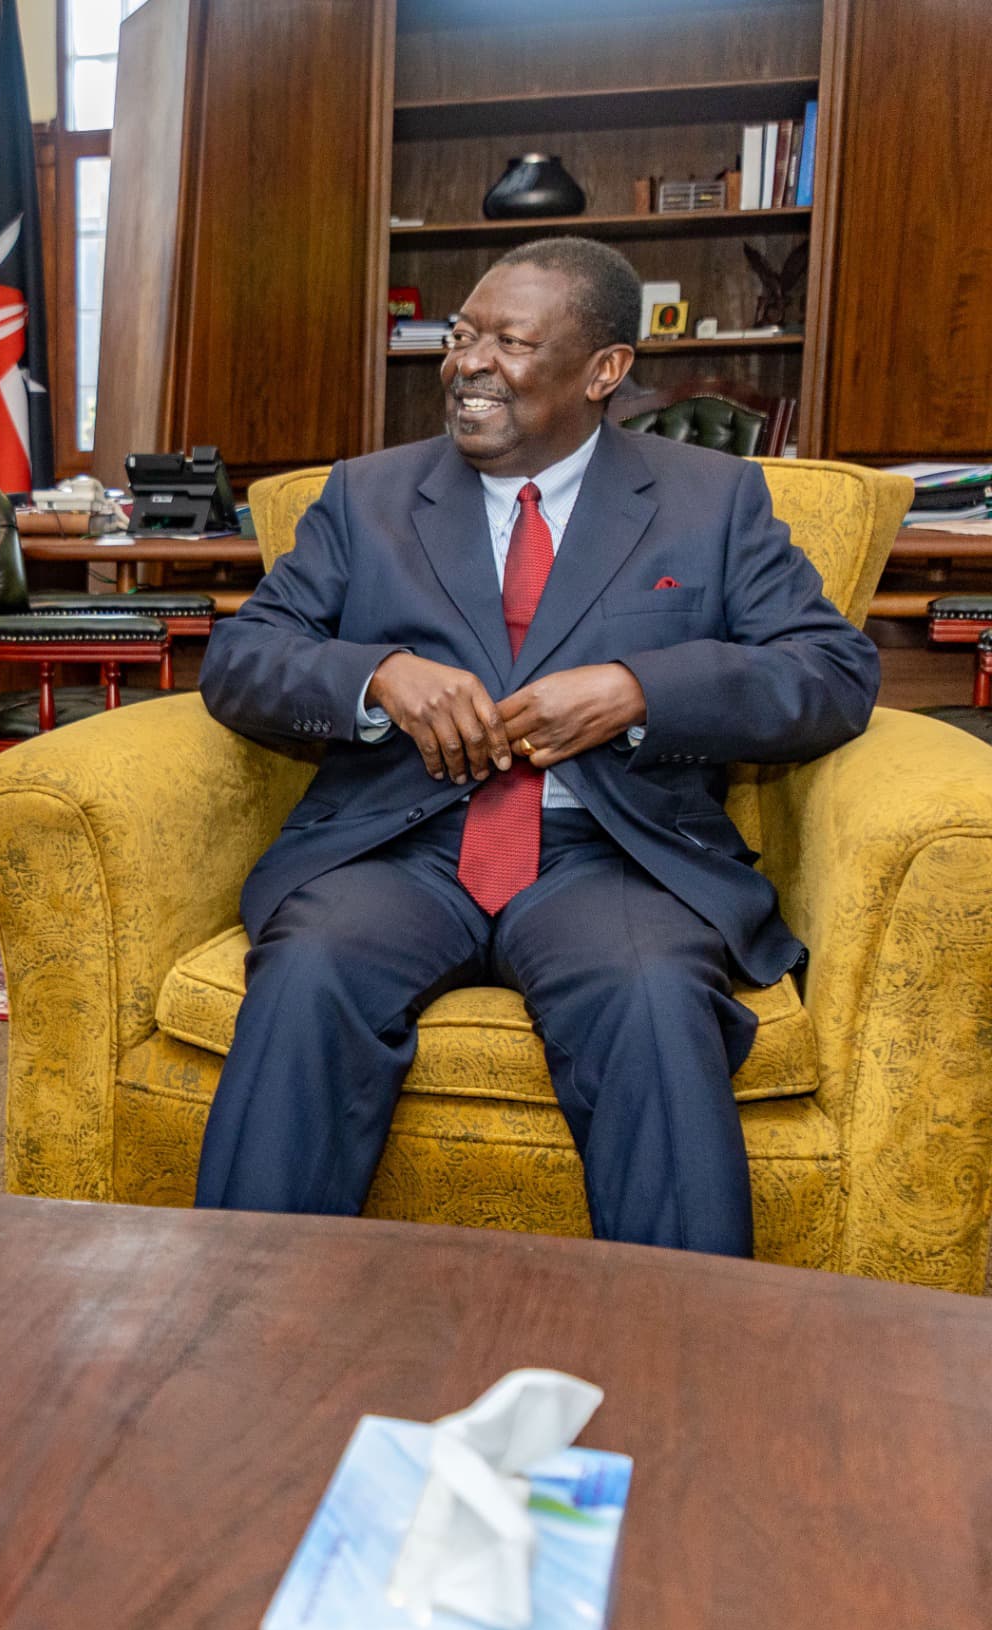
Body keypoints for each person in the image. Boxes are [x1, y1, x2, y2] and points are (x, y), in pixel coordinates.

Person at [191, 236, 878, 1257]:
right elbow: (241, 659)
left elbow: (831, 671)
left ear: (603, 371)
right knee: (309, 970)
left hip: (611, 853)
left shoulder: (711, 499)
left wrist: (640, 691)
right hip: (401, 844)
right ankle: (229, 1314)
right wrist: (373, 676)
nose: (468, 362)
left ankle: (683, 1353)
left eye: (509, 341)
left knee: (650, 993)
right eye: (461, 334)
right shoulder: (365, 495)